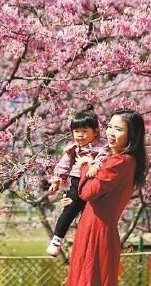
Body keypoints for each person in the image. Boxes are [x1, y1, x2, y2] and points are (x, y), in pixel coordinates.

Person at [65, 109, 147, 286]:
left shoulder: (119, 162)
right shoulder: (121, 160)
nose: (110, 132)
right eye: (109, 127)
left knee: (89, 279)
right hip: (95, 227)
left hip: (96, 230)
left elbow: (88, 192)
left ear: (131, 134)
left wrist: (85, 166)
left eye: (118, 129)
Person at [46, 106, 109, 256]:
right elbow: (64, 164)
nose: (80, 135)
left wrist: (94, 165)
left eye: (84, 131)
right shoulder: (73, 148)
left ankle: (87, 243)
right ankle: (57, 239)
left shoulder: (103, 146)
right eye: (76, 131)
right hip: (75, 182)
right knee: (69, 209)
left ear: (95, 131)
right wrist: (57, 180)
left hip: (93, 184)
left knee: (89, 214)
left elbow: (103, 158)